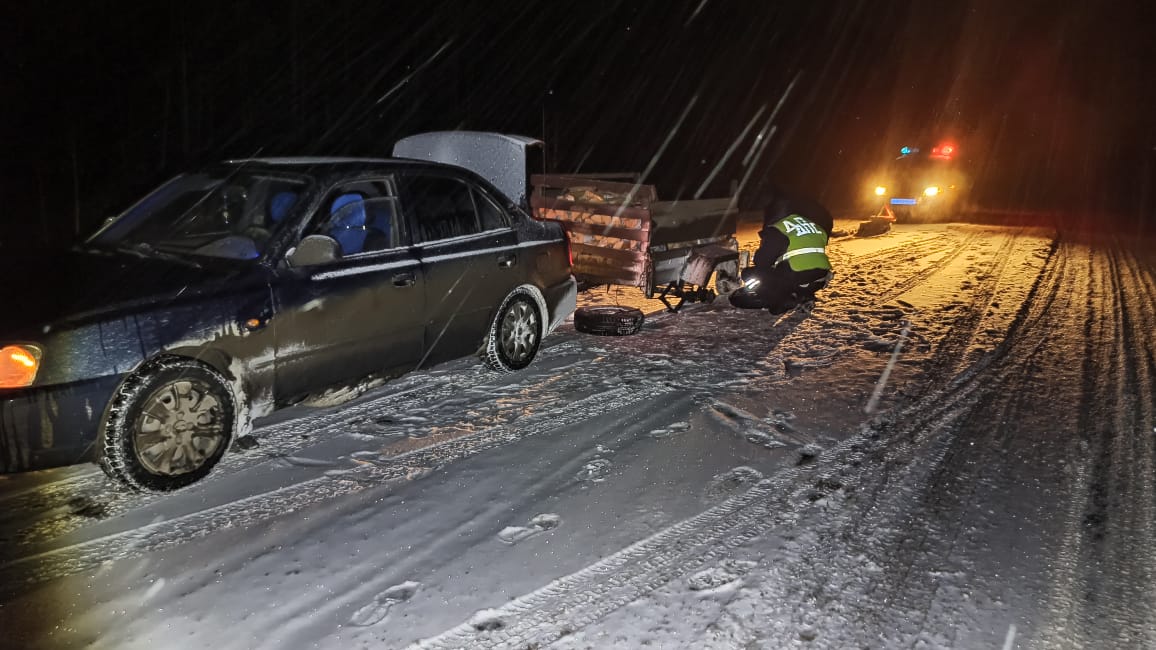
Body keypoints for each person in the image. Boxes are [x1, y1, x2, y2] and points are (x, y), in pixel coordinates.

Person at [732, 187, 834, 314]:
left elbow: (762, 262)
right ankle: (803, 294)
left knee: (750, 274)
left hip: (796, 275)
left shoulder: (779, 229)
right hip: (820, 277)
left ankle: (787, 301)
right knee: (788, 271)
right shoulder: (812, 224)